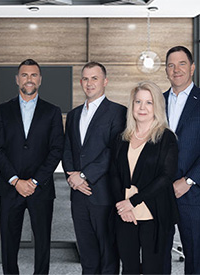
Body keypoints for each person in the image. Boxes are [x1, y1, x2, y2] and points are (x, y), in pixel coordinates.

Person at [0, 59, 64, 274]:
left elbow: (56, 150)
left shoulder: (52, 111)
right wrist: (15, 180)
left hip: (39, 188)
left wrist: (33, 181)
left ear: (40, 80)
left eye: (33, 75)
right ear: (17, 79)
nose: (29, 79)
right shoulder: (2, 110)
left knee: (42, 242)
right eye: (24, 75)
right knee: (8, 242)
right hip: (10, 187)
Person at [62, 61, 126, 274]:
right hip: (78, 196)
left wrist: (84, 175)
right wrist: (72, 177)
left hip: (103, 194)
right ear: (81, 82)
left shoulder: (118, 112)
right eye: (86, 79)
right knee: (87, 255)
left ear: (105, 81)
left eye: (95, 78)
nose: (89, 83)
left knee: (108, 254)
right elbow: (68, 149)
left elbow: (113, 150)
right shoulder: (73, 114)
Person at [110, 81, 178, 274]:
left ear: (157, 106)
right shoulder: (122, 138)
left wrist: (133, 201)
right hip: (125, 214)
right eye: (138, 102)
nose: (142, 107)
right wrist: (122, 205)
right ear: (132, 105)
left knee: (152, 269)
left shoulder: (166, 137)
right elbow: (114, 173)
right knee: (129, 268)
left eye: (149, 102)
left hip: (154, 214)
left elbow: (166, 177)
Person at [163, 46, 200, 274]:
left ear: (192, 68)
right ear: (166, 71)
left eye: (182, 64)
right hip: (159, 192)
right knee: (157, 253)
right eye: (171, 65)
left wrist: (188, 181)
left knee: (195, 257)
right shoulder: (157, 101)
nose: (176, 70)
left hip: (193, 193)